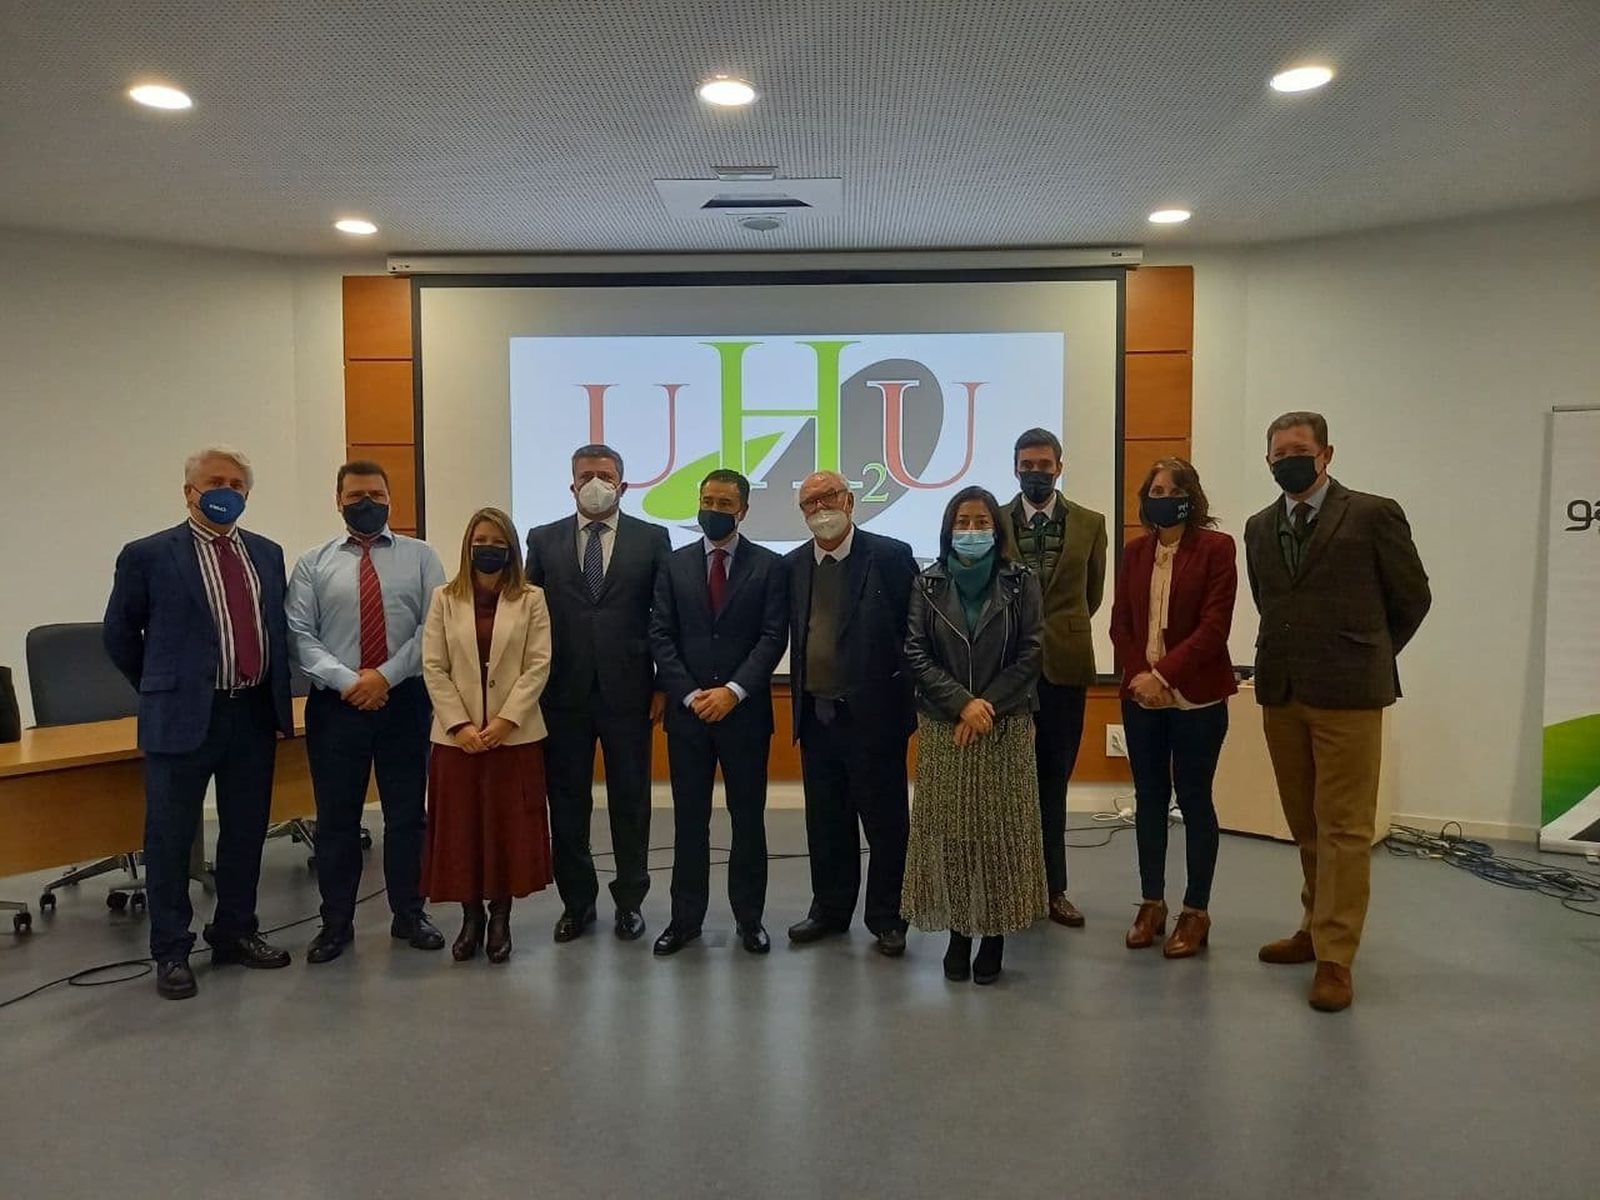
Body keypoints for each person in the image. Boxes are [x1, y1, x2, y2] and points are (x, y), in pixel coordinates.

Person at [1244, 412, 1431, 1012]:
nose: (1286, 461)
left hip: (1350, 693)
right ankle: (1313, 924)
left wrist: (1368, 653)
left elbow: (1412, 598)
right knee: (1307, 823)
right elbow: (1273, 602)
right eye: (1277, 454)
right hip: (1282, 690)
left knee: (1346, 827)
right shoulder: (1258, 526)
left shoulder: (1374, 513)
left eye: (1298, 450)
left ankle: (1336, 956)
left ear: (1326, 454)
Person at [103, 446, 294, 1000]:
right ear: (188, 490)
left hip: (252, 713)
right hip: (182, 719)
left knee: (244, 831)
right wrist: (163, 687)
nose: (227, 491)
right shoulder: (148, 555)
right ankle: (171, 950)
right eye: (216, 481)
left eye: (237, 484)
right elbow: (119, 635)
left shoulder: (266, 552)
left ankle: (235, 931)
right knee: (169, 837)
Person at [287, 460, 448, 963]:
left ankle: (409, 914)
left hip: (404, 702)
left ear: (390, 499)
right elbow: (300, 636)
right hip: (336, 707)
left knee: (407, 816)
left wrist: (384, 677)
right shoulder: (313, 564)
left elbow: (433, 629)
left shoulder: (422, 558)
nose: (367, 503)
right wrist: (350, 681)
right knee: (337, 821)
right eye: (356, 495)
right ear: (338, 501)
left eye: (376, 494)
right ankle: (335, 923)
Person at [902, 487, 1047, 985]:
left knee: (1000, 834)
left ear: (997, 528)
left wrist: (986, 704)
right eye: (962, 521)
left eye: (980, 521)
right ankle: (960, 933)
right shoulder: (927, 583)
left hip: (1005, 724)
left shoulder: (1021, 581)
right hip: (946, 725)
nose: (971, 530)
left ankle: (995, 935)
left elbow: (1031, 652)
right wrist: (962, 703)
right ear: (948, 528)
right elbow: (916, 652)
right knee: (954, 836)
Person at [525, 444, 670, 943]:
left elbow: (664, 619)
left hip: (629, 694)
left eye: (605, 475)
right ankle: (577, 903)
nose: (595, 482)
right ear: (571, 484)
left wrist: (663, 685)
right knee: (567, 803)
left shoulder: (653, 539)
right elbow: (529, 618)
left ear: (623, 485)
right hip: (561, 696)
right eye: (585, 474)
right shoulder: (542, 540)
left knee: (631, 802)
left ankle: (630, 902)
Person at [648, 470, 788, 956]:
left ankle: (750, 919)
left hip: (744, 715)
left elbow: (773, 637)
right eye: (707, 499)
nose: (714, 508)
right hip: (688, 717)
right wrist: (688, 694)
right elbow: (661, 635)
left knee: (747, 819)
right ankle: (685, 919)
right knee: (690, 821)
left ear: (743, 510)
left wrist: (732, 691)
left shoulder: (770, 567)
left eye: (725, 502)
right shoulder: (674, 564)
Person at [784, 470, 919, 957]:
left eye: (827, 497)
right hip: (817, 717)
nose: (820, 509)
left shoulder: (890, 556)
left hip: (875, 720)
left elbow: (914, 635)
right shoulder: (794, 565)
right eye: (808, 503)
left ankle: (888, 916)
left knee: (885, 825)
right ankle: (830, 910)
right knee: (826, 822)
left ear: (850, 500)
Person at [1109, 458, 1238, 959]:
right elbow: (1121, 624)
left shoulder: (1216, 548)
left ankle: (1196, 910)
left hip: (1198, 696)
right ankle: (1152, 903)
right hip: (1142, 698)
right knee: (1149, 799)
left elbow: (1214, 627)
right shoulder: (1135, 552)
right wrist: (1143, 678)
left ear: (1189, 496)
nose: (1159, 496)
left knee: (1195, 798)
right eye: (1153, 488)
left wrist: (1163, 676)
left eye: (1169, 488)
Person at [420, 507, 553, 963]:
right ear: (467, 545)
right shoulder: (444, 597)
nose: (488, 548)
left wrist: (503, 722)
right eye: (480, 540)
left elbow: (538, 665)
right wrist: (459, 725)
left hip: (511, 738)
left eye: (497, 541)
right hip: (456, 741)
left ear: (511, 548)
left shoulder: (531, 598)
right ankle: (470, 917)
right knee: (461, 832)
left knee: (506, 830)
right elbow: (433, 667)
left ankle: (500, 918)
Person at [1006, 428, 1107, 929]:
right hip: (1006, 672)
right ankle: (1010, 885)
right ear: (1015, 467)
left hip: (1065, 667)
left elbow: (1092, 595)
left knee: (1054, 783)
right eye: (1027, 464)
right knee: (1008, 783)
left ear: (1059, 468)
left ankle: (1053, 889)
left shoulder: (1091, 523)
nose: (1036, 472)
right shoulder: (995, 522)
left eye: (1044, 464)